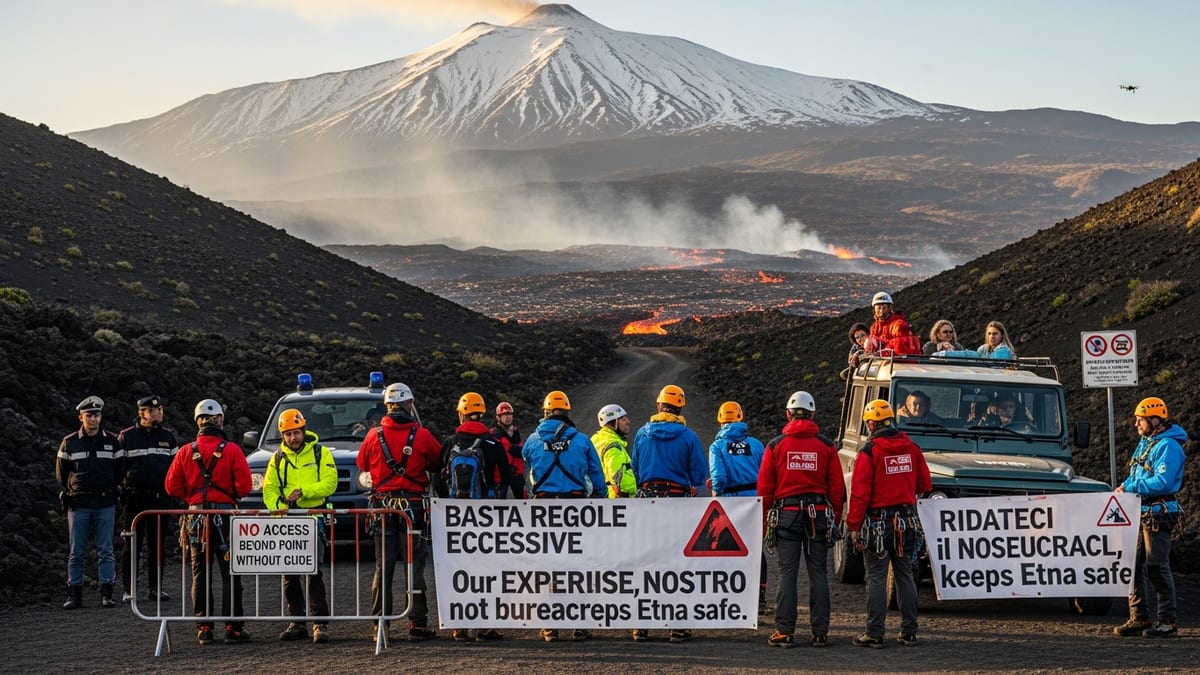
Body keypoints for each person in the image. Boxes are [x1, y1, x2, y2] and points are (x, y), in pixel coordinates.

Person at [356, 382, 442, 643]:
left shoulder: (373, 436)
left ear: (387, 406)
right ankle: (417, 623)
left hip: (382, 509)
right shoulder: (423, 435)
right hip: (413, 509)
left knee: (384, 567)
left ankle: (380, 626)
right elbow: (437, 463)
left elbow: (363, 464)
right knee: (413, 566)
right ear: (410, 405)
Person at [758, 391, 844, 649]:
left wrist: (765, 524)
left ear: (788, 414)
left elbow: (764, 489)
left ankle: (785, 631)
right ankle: (820, 632)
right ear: (813, 414)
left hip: (786, 516)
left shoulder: (775, 446)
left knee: (787, 573)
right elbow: (837, 490)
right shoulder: (828, 446)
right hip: (817, 516)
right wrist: (834, 521)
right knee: (818, 572)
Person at [164, 399, 253, 646]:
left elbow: (171, 486)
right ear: (220, 420)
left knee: (200, 574)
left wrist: (192, 496)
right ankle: (233, 628)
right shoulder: (233, 450)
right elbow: (245, 487)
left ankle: (204, 628)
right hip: (225, 520)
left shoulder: (186, 451)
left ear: (197, 422)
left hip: (196, 519)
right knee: (230, 573)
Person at [522, 390, 607, 642]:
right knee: (578, 566)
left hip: (544, 510)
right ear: (567, 413)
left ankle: (550, 625)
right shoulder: (581, 440)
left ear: (545, 413)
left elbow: (526, 465)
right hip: (577, 509)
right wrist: (599, 502)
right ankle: (579, 625)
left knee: (547, 566)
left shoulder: (532, 440)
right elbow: (597, 478)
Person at [847, 399, 931, 649]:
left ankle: (874, 633)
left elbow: (860, 493)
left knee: (875, 576)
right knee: (905, 575)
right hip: (906, 521)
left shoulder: (869, 452)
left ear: (872, 423)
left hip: (876, 523)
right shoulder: (912, 448)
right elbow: (925, 485)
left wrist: (853, 526)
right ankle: (909, 632)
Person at [630, 384, 709, 644]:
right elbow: (698, 474)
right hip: (677, 502)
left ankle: (641, 625)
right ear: (680, 407)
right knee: (677, 564)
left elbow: (637, 470)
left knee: (645, 562)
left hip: (646, 501)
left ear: (658, 406)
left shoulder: (642, 433)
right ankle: (677, 625)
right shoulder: (688, 437)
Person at [1113, 397, 1187, 639]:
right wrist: (1125, 486)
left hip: (1158, 514)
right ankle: (1139, 617)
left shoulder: (1168, 446)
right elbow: (1138, 473)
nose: (1136, 424)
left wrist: (1132, 486)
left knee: (1156, 567)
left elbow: (1163, 482)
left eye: (1140, 420)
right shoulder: (1147, 442)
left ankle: (1167, 621)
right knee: (1131, 567)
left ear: (1154, 420)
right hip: (1139, 512)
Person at [440, 392, 512, 643]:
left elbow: (438, 478)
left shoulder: (450, 442)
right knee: (487, 570)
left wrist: (446, 504)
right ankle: (486, 626)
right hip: (487, 515)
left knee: (459, 569)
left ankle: (459, 627)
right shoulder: (492, 443)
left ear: (461, 413)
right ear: (482, 414)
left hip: (456, 516)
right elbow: (508, 475)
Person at [262, 408, 338, 644]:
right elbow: (269, 489)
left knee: (313, 572)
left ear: (303, 430)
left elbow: (330, 483)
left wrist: (303, 494)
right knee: (290, 576)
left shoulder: (320, 453)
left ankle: (320, 623)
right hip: (286, 523)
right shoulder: (276, 459)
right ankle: (297, 622)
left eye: (295, 433)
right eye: (287, 434)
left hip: (311, 521)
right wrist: (279, 506)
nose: (292, 438)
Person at [57, 395, 122, 609]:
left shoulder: (112, 442)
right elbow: (61, 474)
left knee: (106, 550)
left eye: (96, 415)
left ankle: (107, 593)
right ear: (81, 417)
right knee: (77, 551)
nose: (93, 419)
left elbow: (119, 471)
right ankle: (75, 595)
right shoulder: (69, 442)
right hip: (79, 504)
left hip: (105, 503)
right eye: (89, 415)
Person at [708, 401, 768, 613]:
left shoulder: (717, 447)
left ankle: (731, 597)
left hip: (730, 502)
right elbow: (765, 475)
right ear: (740, 418)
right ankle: (759, 598)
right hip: (754, 502)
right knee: (755, 549)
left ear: (721, 420)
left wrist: (716, 496)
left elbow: (719, 477)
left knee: (728, 548)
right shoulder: (757, 445)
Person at [117, 394, 178, 604]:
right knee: (131, 544)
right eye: (154, 410)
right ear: (142, 413)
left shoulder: (168, 437)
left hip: (160, 499)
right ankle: (129, 589)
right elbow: (118, 469)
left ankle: (156, 588)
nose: (159, 413)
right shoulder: (126, 437)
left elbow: (174, 469)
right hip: (134, 500)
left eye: (160, 409)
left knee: (157, 545)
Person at [592, 404, 636, 499]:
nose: (628, 421)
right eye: (623, 419)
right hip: (618, 499)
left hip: (602, 498)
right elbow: (619, 478)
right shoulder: (613, 447)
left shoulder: (596, 441)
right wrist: (633, 491)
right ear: (613, 423)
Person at [490, 401, 525, 499]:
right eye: (504, 415)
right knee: (499, 503)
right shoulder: (494, 434)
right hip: (501, 475)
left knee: (523, 503)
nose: (507, 417)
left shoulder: (516, 432)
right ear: (498, 417)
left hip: (516, 473)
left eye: (509, 414)